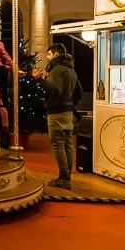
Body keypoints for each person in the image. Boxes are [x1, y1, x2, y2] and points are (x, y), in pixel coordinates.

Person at [34, 43, 80, 189]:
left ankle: (63, 178)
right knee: (67, 144)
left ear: (55, 55)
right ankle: (67, 176)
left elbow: (55, 90)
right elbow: (79, 92)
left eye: (48, 54)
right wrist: (70, 102)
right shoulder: (71, 70)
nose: (47, 57)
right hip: (68, 111)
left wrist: (39, 80)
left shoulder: (57, 69)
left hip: (57, 111)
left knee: (58, 144)